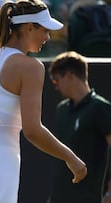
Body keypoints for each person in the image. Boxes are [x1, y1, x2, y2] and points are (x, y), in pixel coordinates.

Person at [0, 1, 87, 203]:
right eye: (45, 30)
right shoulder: (31, 67)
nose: (48, 37)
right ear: (29, 27)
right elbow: (32, 130)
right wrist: (71, 158)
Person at [47, 51, 111, 203]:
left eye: (56, 81)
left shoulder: (99, 108)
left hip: (87, 198)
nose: (56, 87)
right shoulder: (61, 110)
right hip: (58, 198)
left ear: (69, 76)